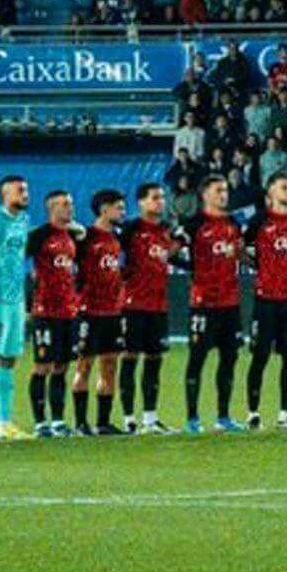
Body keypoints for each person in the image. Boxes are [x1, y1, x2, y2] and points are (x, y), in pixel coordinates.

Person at [244, 173, 287, 430]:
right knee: (260, 356)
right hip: (266, 301)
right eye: (284, 187)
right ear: (270, 193)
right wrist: (261, 268)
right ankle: (253, 413)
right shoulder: (259, 221)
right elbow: (243, 249)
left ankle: (286, 414)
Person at [183, 173, 248, 433]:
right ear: (205, 194)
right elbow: (173, 250)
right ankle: (192, 418)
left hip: (230, 303)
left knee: (229, 359)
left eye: (225, 190)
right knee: (197, 359)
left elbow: (240, 253)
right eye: (219, 190)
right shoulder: (194, 224)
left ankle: (224, 416)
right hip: (203, 303)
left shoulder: (233, 224)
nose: (224, 194)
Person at [122, 181, 180, 433]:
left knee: (154, 360)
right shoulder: (130, 230)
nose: (161, 202)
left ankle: (150, 418)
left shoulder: (164, 232)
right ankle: (128, 419)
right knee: (130, 359)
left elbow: (168, 257)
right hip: (133, 304)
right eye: (155, 197)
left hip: (158, 305)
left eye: (162, 197)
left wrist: (179, 243)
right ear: (141, 202)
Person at [25, 190, 82, 438]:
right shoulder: (39, 236)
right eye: (64, 205)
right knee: (42, 366)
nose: (69, 208)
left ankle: (58, 421)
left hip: (68, 312)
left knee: (61, 366)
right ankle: (40, 423)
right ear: (51, 208)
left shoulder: (71, 237)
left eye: (70, 204)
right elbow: (18, 259)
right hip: (45, 312)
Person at [77, 189, 132, 435]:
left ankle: (103, 422)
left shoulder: (118, 238)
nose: (123, 212)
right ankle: (80, 423)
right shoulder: (86, 237)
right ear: (103, 209)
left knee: (109, 366)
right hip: (89, 311)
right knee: (84, 366)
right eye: (118, 207)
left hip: (113, 311)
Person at [0, 173, 32, 440]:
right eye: (20, 191)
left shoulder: (24, 220)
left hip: (16, 298)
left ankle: (5, 422)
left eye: (25, 190)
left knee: (10, 357)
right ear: (5, 193)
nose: (25, 195)